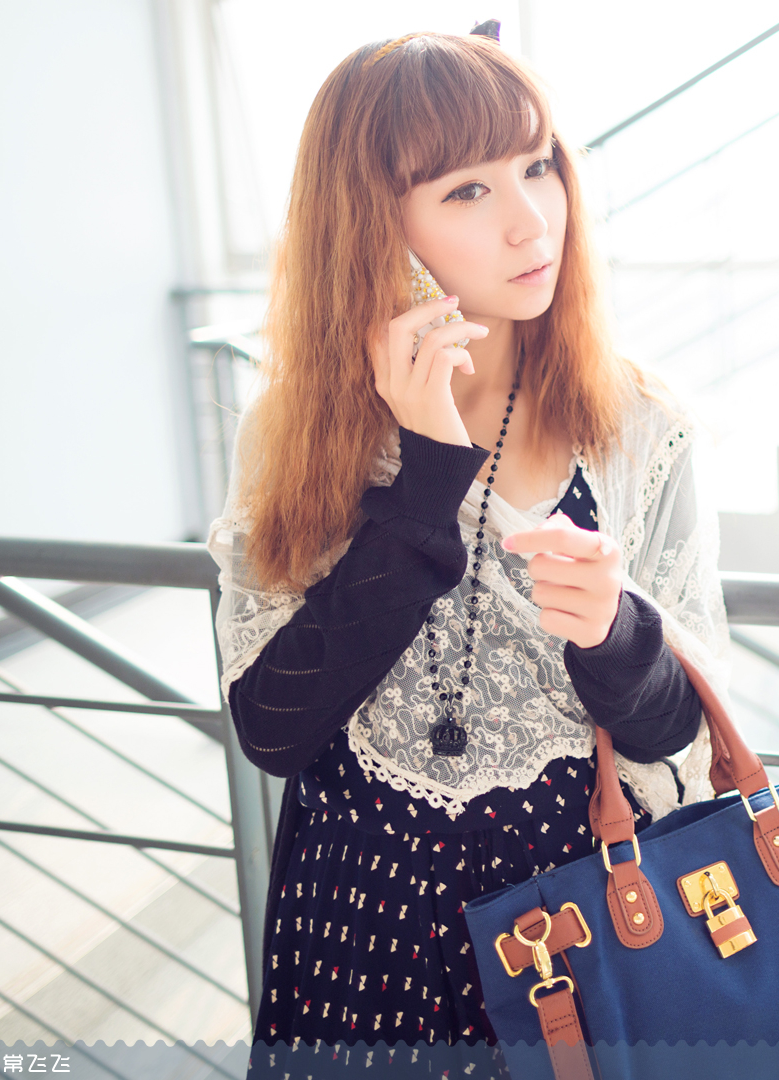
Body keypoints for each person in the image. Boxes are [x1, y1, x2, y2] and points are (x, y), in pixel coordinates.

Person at [205, 25, 733, 1076]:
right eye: (467, 191)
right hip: (357, 922)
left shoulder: (638, 426)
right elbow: (272, 726)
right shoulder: (298, 433)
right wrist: (425, 483)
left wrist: (614, 634)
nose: (532, 218)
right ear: (375, 227)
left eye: (539, 165)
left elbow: (681, 735)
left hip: (580, 915)